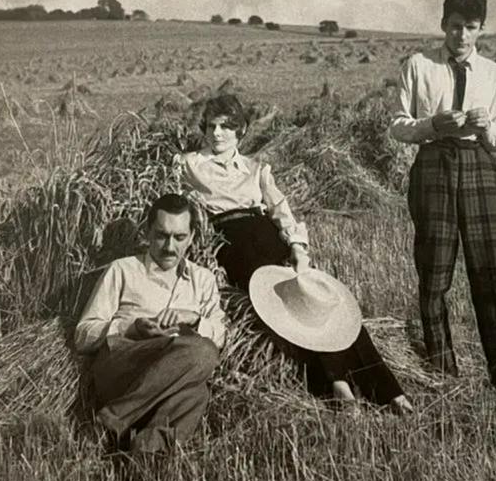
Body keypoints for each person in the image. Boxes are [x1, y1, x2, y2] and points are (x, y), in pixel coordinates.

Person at [175, 93, 413, 415]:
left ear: (240, 130)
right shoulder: (189, 164)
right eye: (212, 126)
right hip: (231, 240)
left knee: (322, 302)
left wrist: (298, 248)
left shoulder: (256, 168)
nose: (217, 134)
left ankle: (388, 390)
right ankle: (338, 383)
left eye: (226, 127)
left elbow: (280, 210)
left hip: (267, 236)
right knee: (289, 305)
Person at [389, 0, 496, 388]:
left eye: (471, 28)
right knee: (433, 273)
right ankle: (442, 374)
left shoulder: (495, 75)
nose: (461, 36)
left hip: (479, 166)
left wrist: (486, 130)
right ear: (442, 24)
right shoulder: (418, 65)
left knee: (494, 273)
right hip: (433, 166)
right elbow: (397, 125)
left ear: (481, 30)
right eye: (454, 27)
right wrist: (432, 125)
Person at [74, 193, 227, 453]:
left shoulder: (203, 280)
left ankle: (143, 455)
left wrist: (194, 318)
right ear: (147, 233)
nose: (169, 247)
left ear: (191, 237)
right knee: (201, 352)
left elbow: (220, 336)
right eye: (161, 235)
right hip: (124, 364)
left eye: (179, 237)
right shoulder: (123, 270)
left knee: (197, 392)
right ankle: (109, 423)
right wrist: (131, 328)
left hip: (175, 370)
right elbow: (83, 335)